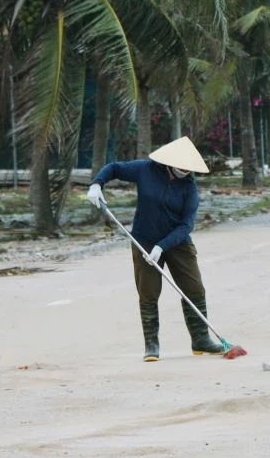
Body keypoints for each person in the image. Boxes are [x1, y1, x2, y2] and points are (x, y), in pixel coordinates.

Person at [87, 136, 224, 362]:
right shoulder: (145, 170)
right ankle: (151, 345)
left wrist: (163, 246)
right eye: (182, 167)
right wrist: (96, 184)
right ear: (170, 162)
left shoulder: (189, 188)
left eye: (189, 169)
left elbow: (186, 225)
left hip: (177, 243)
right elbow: (114, 169)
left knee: (195, 289)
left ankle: (201, 340)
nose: (185, 171)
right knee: (148, 292)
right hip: (145, 240)